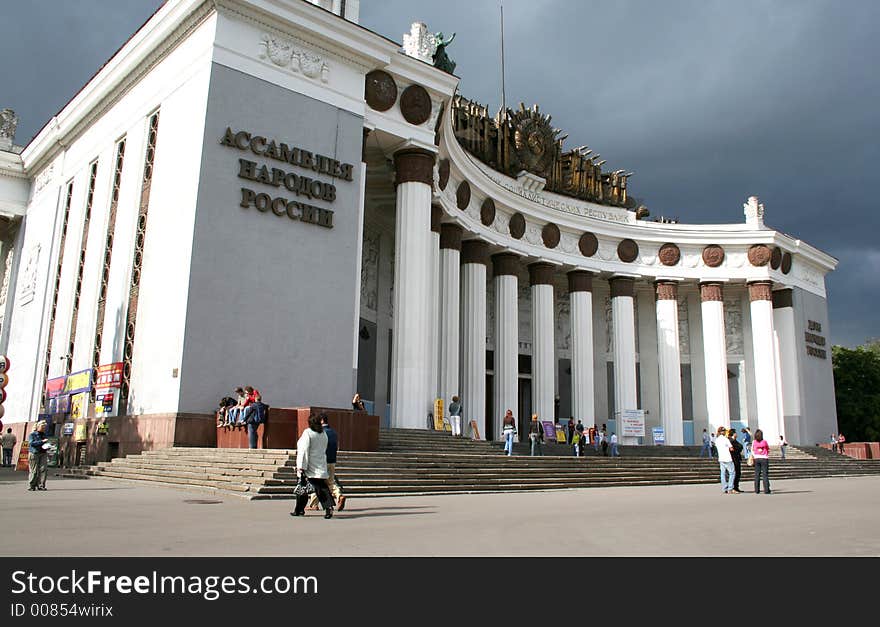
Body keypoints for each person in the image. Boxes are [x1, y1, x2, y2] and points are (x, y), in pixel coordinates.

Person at [291, 414, 335, 519]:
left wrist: (301, 466)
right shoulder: (323, 433)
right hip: (320, 464)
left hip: (309, 466)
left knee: (302, 488)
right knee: (322, 488)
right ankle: (329, 508)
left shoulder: (308, 433)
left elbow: (303, 450)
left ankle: (299, 510)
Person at [307, 414, 345, 511]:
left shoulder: (321, 432)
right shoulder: (333, 432)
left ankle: (313, 505)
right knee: (330, 482)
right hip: (332, 460)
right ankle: (339, 495)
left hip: (322, 461)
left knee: (317, 482)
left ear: (322, 421)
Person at [27, 421, 50, 491]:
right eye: (42, 427)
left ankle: (41, 485)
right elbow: (31, 443)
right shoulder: (32, 434)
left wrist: (48, 446)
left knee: (43, 469)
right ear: (38, 427)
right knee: (34, 470)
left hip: (43, 453)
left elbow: (45, 443)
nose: (43, 429)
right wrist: (42, 441)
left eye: (44, 428)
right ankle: (32, 485)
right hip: (34, 453)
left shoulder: (44, 435)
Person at [715, 426, 736, 494]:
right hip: (727, 458)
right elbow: (731, 448)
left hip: (721, 458)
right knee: (732, 473)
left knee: (723, 474)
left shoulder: (717, 440)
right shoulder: (725, 439)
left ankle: (724, 488)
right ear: (723, 432)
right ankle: (730, 488)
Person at [752, 429, 771, 494]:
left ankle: (757, 490)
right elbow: (768, 449)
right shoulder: (764, 442)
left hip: (756, 458)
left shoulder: (754, 442)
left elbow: (752, 449)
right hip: (764, 458)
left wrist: (754, 455)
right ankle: (766, 489)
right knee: (765, 474)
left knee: (757, 474)